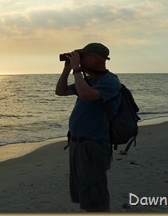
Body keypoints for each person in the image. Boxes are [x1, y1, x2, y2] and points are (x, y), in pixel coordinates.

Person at [55, 43, 121, 212]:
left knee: (95, 195)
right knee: (85, 193)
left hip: (94, 146)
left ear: (96, 58)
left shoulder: (110, 81)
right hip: (78, 145)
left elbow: (86, 95)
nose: (81, 59)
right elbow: (61, 91)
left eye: (84, 56)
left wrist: (77, 69)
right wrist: (67, 69)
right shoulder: (89, 80)